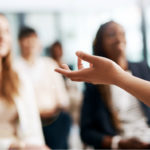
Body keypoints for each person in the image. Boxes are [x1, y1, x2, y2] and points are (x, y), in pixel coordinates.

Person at [55, 21, 150, 149]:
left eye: (122, 33)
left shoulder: (143, 68)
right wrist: (118, 143)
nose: (119, 38)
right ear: (101, 43)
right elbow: (86, 132)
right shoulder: (95, 83)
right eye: (112, 35)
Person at [16, 27, 72, 149]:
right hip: (26, 123)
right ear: (19, 42)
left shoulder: (49, 64)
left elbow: (62, 97)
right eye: (26, 39)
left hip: (54, 120)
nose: (30, 43)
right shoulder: (14, 68)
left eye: (33, 39)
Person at [0, 14, 49, 150]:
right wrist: (12, 145)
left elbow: (33, 129)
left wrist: (36, 147)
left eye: (6, 31)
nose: (2, 37)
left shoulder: (19, 78)